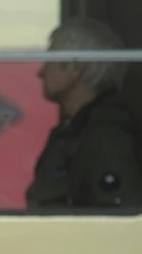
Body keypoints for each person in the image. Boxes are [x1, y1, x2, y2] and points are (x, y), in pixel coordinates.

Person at [26, 18, 142, 209]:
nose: (41, 72)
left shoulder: (106, 138)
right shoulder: (71, 134)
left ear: (75, 68)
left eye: (50, 61)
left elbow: (116, 226)